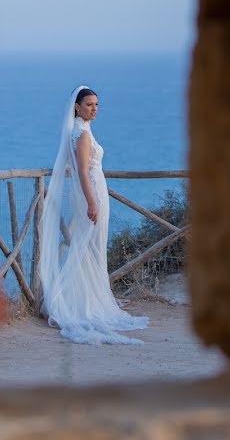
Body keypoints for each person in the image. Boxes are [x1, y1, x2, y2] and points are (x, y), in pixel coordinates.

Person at [38, 85, 149, 345]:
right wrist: (92, 202)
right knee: (91, 249)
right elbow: (84, 172)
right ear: (77, 107)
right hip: (93, 194)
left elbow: (77, 165)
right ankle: (70, 303)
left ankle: (83, 299)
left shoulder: (79, 131)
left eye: (97, 105)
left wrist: (76, 175)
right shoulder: (82, 133)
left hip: (91, 193)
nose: (94, 109)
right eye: (89, 105)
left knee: (87, 249)